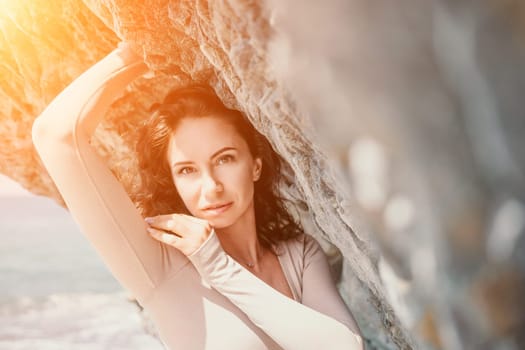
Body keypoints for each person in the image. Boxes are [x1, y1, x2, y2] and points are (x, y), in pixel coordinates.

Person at [31, 43, 364, 350]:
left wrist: (217, 265)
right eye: (187, 170)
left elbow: (346, 346)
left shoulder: (298, 254)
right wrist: (137, 49)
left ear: (256, 166)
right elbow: (56, 135)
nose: (212, 186)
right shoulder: (158, 264)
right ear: (173, 181)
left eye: (225, 159)